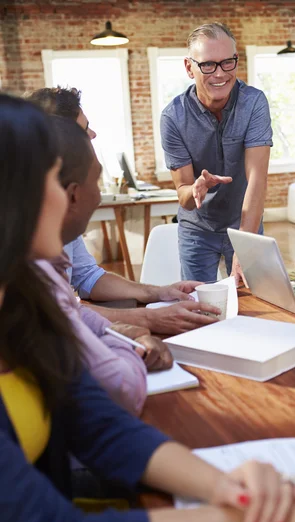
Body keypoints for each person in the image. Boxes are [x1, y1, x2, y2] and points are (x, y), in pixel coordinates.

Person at [0, 94, 295, 522]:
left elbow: (98, 424)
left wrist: (226, 488)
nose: (77, 197)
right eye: (56, 180)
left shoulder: (27, 302)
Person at [28, 86, 221, 335]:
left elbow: (86, 276)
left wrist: (156, 291)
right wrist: (147, 319)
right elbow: (56, 312)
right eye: (85, 128)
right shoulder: (25, 223)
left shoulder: (62, 209)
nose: (94, 134)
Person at [36, 116, 169, 416]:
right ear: (70, 194)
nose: (99, 197)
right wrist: (132, 338)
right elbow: (121, 385)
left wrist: (142, 309)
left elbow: (74, 305)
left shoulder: (46, 265)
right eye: (95, 182)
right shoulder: (33, 278)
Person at [160, 22, 272, 285]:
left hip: (245, 224)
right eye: (208, 65)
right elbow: (184, 197)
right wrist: (196, 189)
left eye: (228, 62)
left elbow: (257, 179)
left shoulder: (254, 103)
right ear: (189, 67)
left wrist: (246, 244)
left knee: (255, 305)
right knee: (199, 308)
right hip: (197, 230)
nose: (220, 74)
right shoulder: (173, 117)